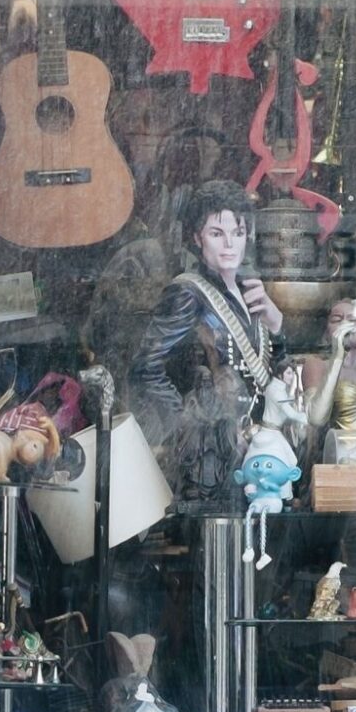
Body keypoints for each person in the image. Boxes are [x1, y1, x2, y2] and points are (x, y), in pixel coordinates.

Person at [128, 179, 281, 503]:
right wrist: (190, 427)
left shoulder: (250, 292)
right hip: (211, 459)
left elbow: (264, 368)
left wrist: (275, 324)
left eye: (237, 233)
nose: (229, 245)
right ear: (198, 238)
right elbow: (146, 368)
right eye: (216, 233)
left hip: (252, 451)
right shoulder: (187, 293)